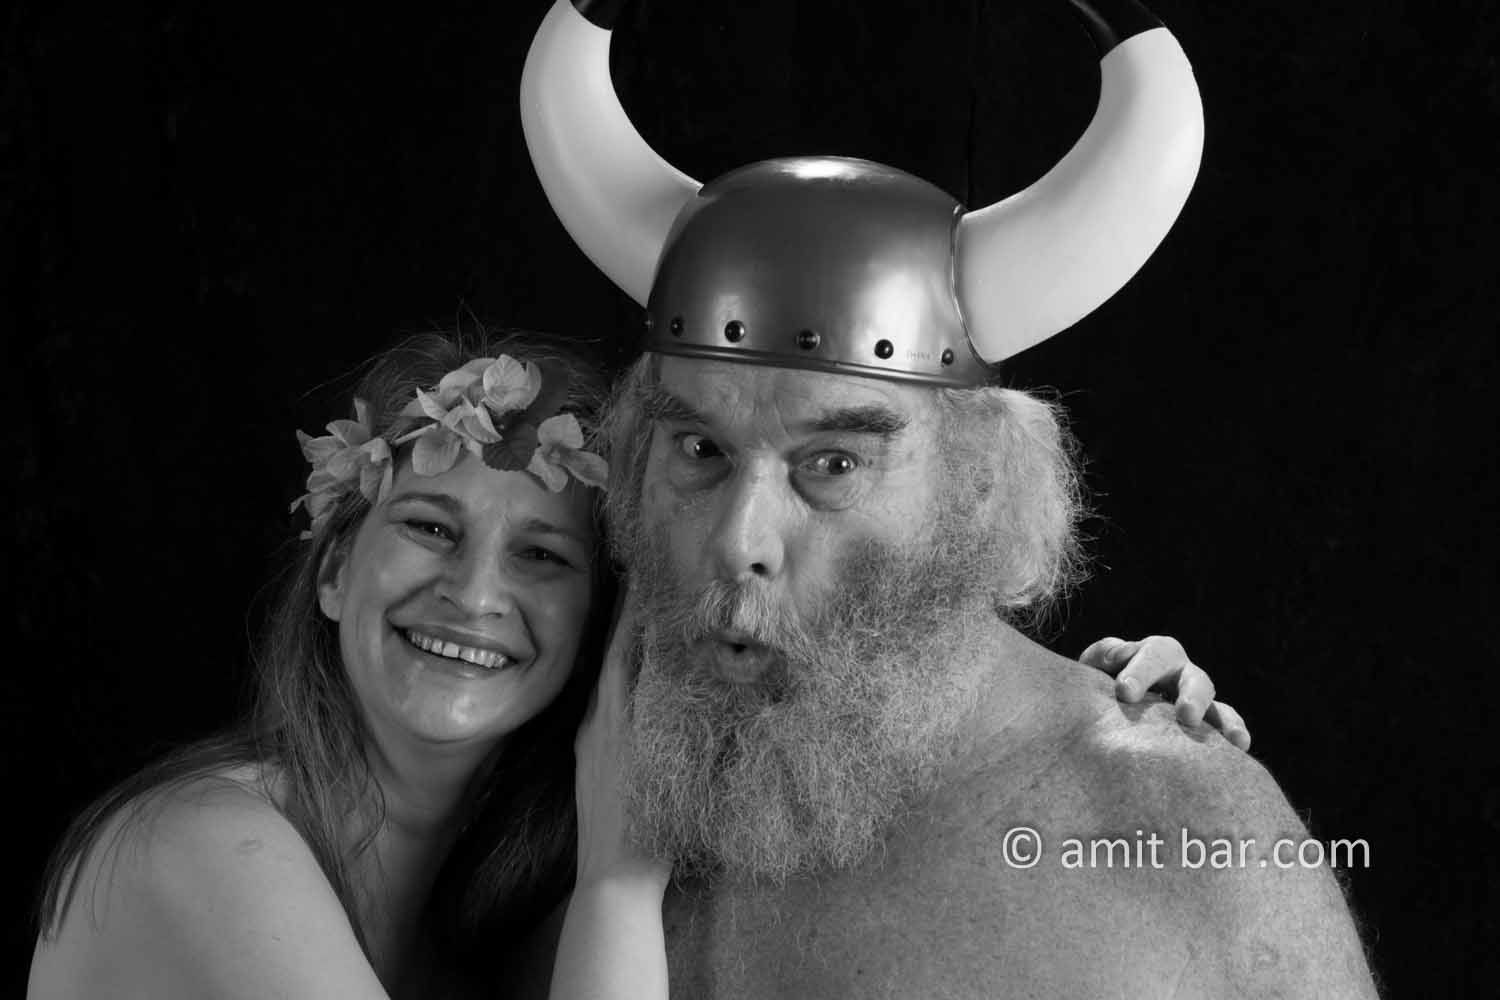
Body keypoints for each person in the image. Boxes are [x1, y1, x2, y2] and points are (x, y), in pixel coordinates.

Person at [516, 0, 1380, 995]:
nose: (736, 540)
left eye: (834, 465)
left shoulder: (1177, 836)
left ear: (980, 489)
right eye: (701, 448)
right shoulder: (547, 760)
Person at [26, 328, 1243, 1000]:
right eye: (432, 527)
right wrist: (618, 887)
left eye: (542, 555)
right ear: (337, 569)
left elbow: (851, 715)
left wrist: (1073, 710)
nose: (477, 594)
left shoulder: (486, 899)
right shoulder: (201, 848)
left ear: (607, 625)